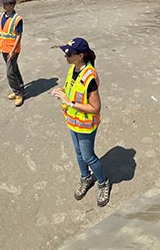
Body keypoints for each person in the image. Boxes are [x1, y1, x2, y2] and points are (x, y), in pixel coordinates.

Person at [51, 38, 111, 207]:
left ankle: (103, 182)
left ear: (81, 55)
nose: (66, 56)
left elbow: (95, 108)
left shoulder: (89, 77)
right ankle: (85, 178)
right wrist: (61, 91)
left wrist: (70, 103)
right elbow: (71, 88)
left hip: (85, 125)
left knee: (88, 156)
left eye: (70, 54)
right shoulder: (73, 69)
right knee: (78, 153)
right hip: (72, 121)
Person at [0, 0, 25, 106]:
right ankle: (21, 88)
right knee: (14, 69)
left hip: (12, 49)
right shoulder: (0, 16)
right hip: (3, 48)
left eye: (6, 4)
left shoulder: (17, 19)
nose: (3, 5)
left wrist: (13, 51)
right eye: (3, 3)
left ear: (12, 5)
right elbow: (0, 32)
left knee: (10, 73)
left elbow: (18, 35)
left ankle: (18, 93)